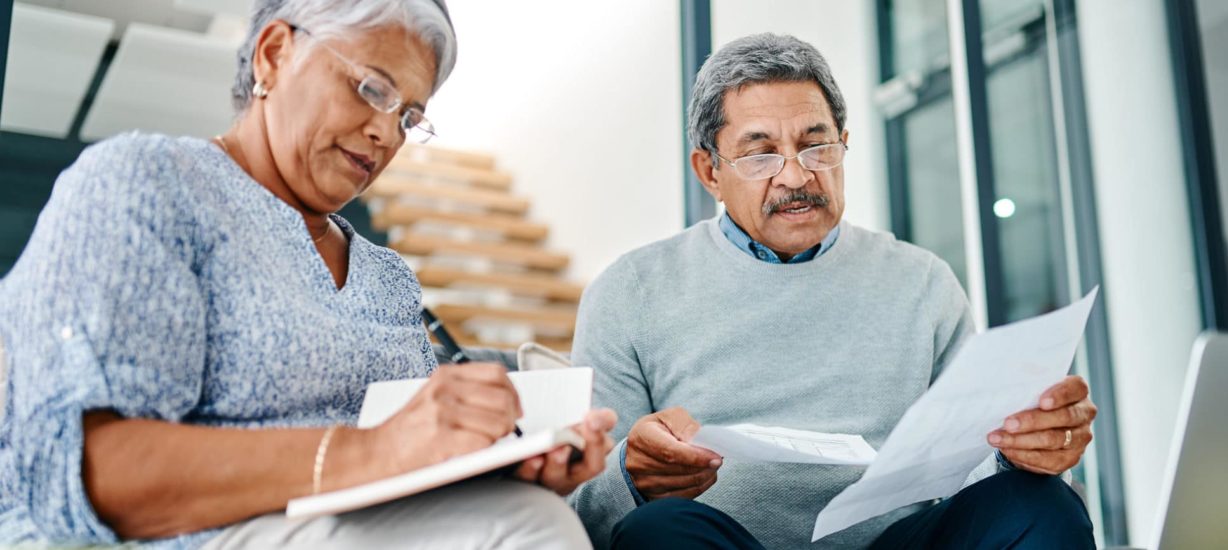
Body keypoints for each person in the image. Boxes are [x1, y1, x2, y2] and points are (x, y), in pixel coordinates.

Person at [0, 1, 615, 548]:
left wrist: (503, 460)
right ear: (273, 54)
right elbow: (85, 472)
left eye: (408, 118)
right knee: (528, 529)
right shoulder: (147, 184)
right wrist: (372, 451)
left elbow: (410, 456)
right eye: (372, 89)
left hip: (358, 520)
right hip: (187, 532)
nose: (384, 133)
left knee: (533, 510)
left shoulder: (388, 278)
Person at [567, 33, 1096, 549]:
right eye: (761, 154)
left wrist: (1021, 447)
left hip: (893, 542)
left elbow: (968, 465)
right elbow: (582, 511)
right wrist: (633, 477)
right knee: (657, 532)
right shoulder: (630, 292)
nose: (796, 176)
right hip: (716, 541)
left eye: (816, 144)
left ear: (843, 145)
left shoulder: (922, 283)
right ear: (710, 171)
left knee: (1043, 504)